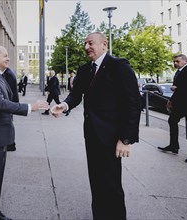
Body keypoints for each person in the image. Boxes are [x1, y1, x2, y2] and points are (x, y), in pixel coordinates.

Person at [51, 32, 142, 219]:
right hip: (91, 135)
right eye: (85, 44)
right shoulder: (85, 69)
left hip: (112, 137)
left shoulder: (119, 66)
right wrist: (64, 105)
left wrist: (125, 139)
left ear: (104, 45)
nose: (86, 47)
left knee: (112, 185)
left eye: (90, 43)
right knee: (96, 182)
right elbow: (76, 95)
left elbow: (133, 104)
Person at [0, 45, 48, 220]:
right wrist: (30, 107)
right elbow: (0, 103)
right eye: (5, 56)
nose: (8, 59)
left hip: (0, 136)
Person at [158, 54, 187, 163]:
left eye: (177, 61)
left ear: (184, 61)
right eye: (174, 62)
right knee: (172, 121)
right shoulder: (178, 72)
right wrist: (171, 100)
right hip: (180, 105)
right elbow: (177, 91)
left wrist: (177, 88)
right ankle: (174, 146)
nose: (175, 63)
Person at [3, 67, 19, 152]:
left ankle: (11, 144)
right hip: (11, 103)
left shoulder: (7, 74)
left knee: (8, 123)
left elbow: (8, 91)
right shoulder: (8, 72)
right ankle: (10, 143)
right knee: (9, 123)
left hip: (9, 103)